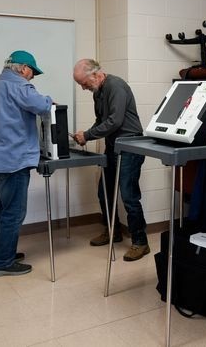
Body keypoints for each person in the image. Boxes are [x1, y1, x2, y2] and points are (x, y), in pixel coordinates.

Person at [0, 50, 53, 276]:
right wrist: (49, 100)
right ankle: (2, 263)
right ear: (23, 68)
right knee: (14, 213)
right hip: (12, 161)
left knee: (4, 210)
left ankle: (5, 252)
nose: (32, 77)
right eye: (32, 72)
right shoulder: (20, 85)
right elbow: (42, 106)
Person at [72, 59, 150, 261]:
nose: (83, 88)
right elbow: (101, 121)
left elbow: (115, 121)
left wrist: (88, 135)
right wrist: (85, 134)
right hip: (113, 146)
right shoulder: (98, 91)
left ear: (96, 75)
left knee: (129, 195)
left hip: (130, 146)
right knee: (104, 192)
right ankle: (113, 232)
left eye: (84, 83)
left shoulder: (116, 86)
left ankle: (141, 242)